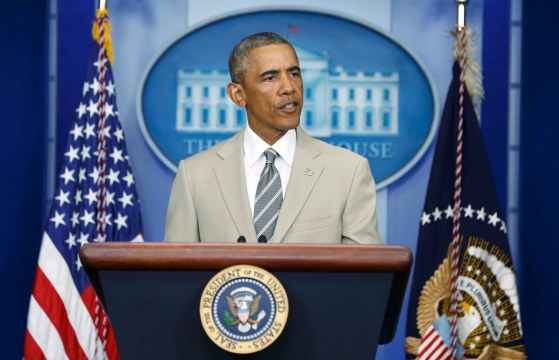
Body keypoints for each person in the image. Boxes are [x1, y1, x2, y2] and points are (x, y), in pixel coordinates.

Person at [164, 32, 382, 244]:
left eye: (294, 74)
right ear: (238, 95)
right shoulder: (194, 175)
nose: (289, 88)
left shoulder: (349, 171)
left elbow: (366, 276)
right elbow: (177, 275)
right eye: (270, 78)